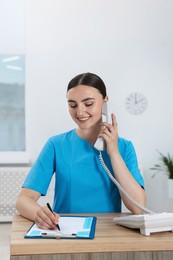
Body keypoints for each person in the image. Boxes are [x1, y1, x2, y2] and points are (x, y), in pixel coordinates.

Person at [16, 72, 146, 230]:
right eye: (72, 105)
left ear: (105, 102)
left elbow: (138, 207)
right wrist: (39, 213)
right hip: (66, 233)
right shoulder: (56, 145)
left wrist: (113, 152)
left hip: (108, 232)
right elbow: (23, 200)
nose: (79, 112)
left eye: (88, 103)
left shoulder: (125, 147)